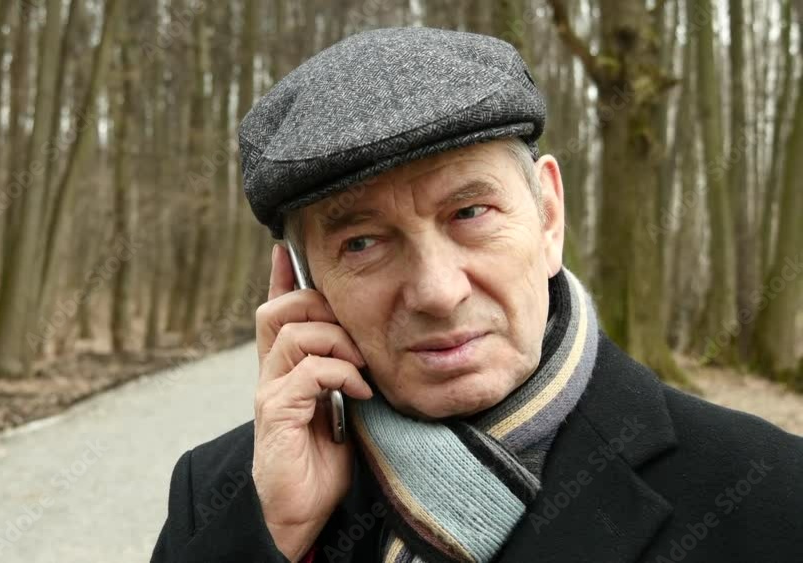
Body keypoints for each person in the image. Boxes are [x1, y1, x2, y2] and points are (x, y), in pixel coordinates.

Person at [151, 27, 803, 563]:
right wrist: (272, 536)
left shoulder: (769, 492)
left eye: (470, 212)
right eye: (363, 243)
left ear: (549, 216)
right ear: (304, 283)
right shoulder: (225, 496)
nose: (438, 291)